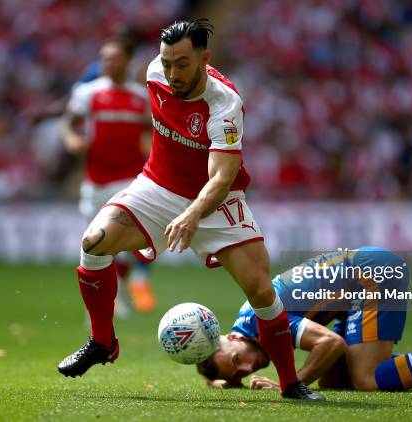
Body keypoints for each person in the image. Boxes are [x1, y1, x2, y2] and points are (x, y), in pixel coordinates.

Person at [56, 18, 323, 400]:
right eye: (167, 62)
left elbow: (222, 176)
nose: (172, 72)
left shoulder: (224, 103)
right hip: (157, 187)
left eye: (182, 63)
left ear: (204, 59)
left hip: (217, 201)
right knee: (94, 242)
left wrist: (193, 213)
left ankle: (290, 383)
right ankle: (102, 342)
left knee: (261, 291)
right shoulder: (153, 74)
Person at [197, 247, 412, 394]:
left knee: (366, 379)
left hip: (370, 275)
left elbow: (330, 342)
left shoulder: (259, 322)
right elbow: (330, 351)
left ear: (234, 338)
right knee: (336, 380)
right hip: (356, 285)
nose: (248, 368)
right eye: (240, 374)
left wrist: (290, 383)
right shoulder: (247, 324)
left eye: (238, 361)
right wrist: (217, 378)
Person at [59, 32, 156, 315]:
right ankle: (115, 297)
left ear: (127, 61)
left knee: (128, 238)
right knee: (99, 245)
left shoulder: (140, 98)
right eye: (104, 58)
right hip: (96, 179)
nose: (106, 63)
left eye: (112, 58)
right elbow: (68, 123)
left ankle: (133, 282)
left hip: (130, 180)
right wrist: (71, 139)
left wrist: (150, 150)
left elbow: (151, 133)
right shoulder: (88, 93)